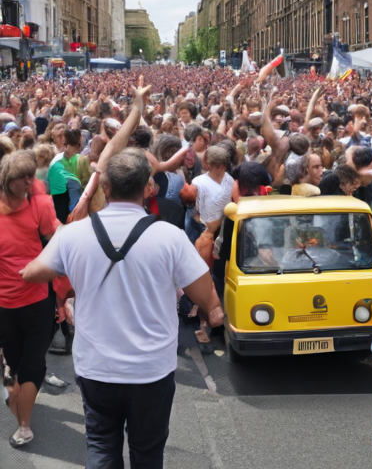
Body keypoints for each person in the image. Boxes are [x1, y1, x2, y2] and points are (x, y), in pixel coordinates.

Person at [21, 148, 223, 468]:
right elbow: (203, 296)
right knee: (147, 452)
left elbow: (32, 272)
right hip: (151, 369)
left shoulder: (73, 235)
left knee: (101, 446)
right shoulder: (170, 237)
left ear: (107, 188)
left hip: (96, 367)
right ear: (148, 188)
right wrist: (214, 307)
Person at [0, 150, 60, 447]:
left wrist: (63, 297)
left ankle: (24, 426)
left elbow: (56, 241)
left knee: (33, 364)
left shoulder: (40, 203)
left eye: (31, 175)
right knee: (14, 363)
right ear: (6, 180)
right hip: (4, 306)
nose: (28, 181)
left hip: (38, 299)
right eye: (21, 177)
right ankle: (15, 394)